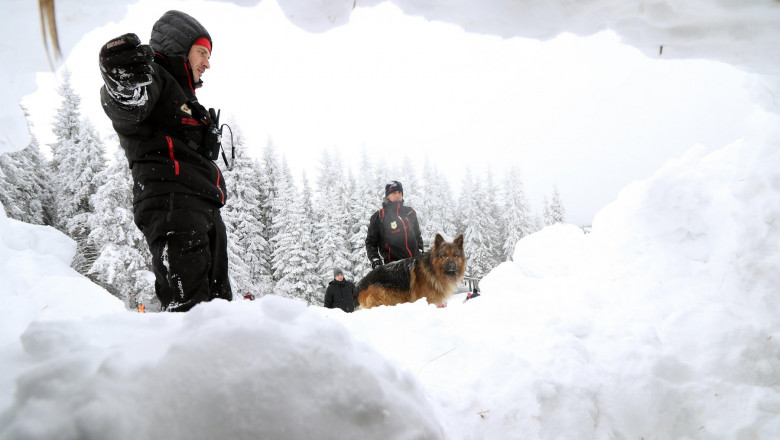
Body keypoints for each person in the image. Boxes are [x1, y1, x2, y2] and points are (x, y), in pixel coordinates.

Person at [99, 10, 232, 312]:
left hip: (203, 208)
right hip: (173, 205)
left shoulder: (185, 97)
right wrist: (122, 82)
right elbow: (128, 106)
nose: (207, 63)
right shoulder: (152, 76)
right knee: (190, 313)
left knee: (221, 312)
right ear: (179, 49)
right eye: (201, 52)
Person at [365, 180, 423, 268]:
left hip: (416, 264)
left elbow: (417, 235)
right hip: (394, 268)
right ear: (387, 195)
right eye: (394, 192)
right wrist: (375, 259)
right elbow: (371, 242)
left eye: (399, 192)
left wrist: (421, 250)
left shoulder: (410, 212)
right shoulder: (379, 216)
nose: (397, 195)